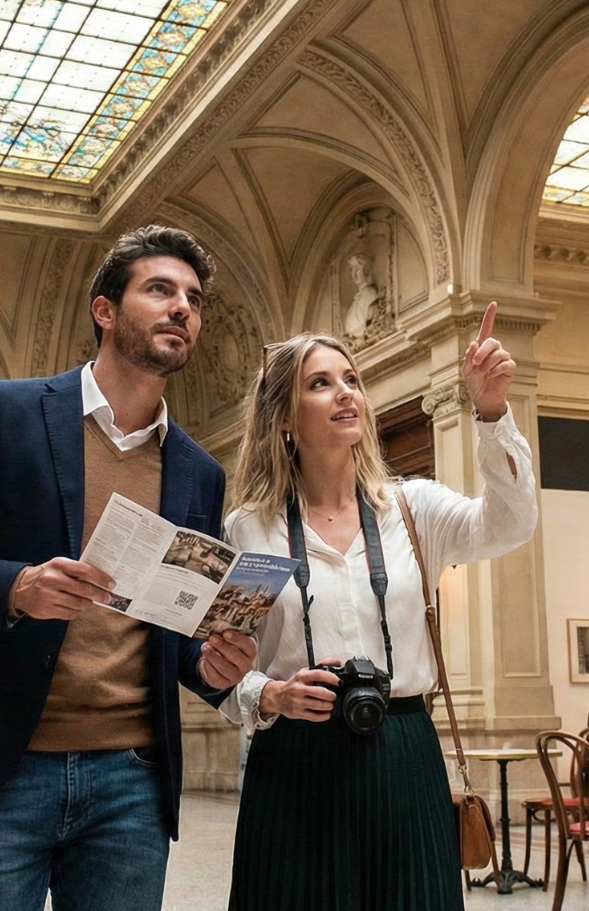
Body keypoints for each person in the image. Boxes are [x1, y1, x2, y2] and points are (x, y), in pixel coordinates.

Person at [0, 226, 255, 911]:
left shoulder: (199, 471)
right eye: (160, 290)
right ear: (104, 310)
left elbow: (170, 628)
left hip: (131, 782)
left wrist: (210, 665)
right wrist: (16, 588)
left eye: (194, 299)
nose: (182, 307)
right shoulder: (2, 412)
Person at [218, 304, 535, 911]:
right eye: (320, 383)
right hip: (294, 757)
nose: (346, 393)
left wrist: (492, 412)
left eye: (351, 380)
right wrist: (271, 694)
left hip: (403, 750)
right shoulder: (249, 528)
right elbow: (225, 665)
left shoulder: (414, 509)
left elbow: (510, 525)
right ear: (284, 417)